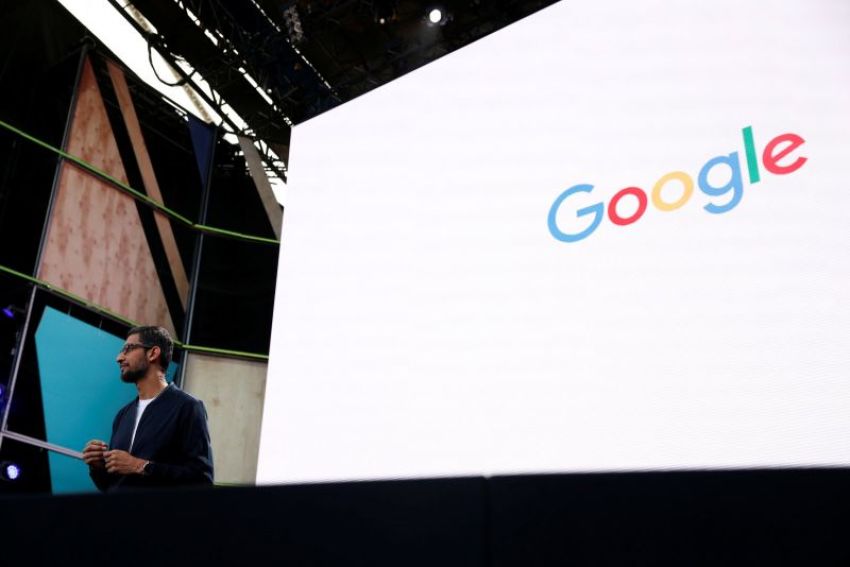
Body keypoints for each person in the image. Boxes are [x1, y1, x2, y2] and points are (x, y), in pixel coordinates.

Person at [82, 326, 214, 491]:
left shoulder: (188, 407)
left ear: (153, 353)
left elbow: (202, 479)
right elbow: (113, 486)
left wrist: (139, 465)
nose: (119, 357)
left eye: (128, 349)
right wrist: (98, 467)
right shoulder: (123, 415)